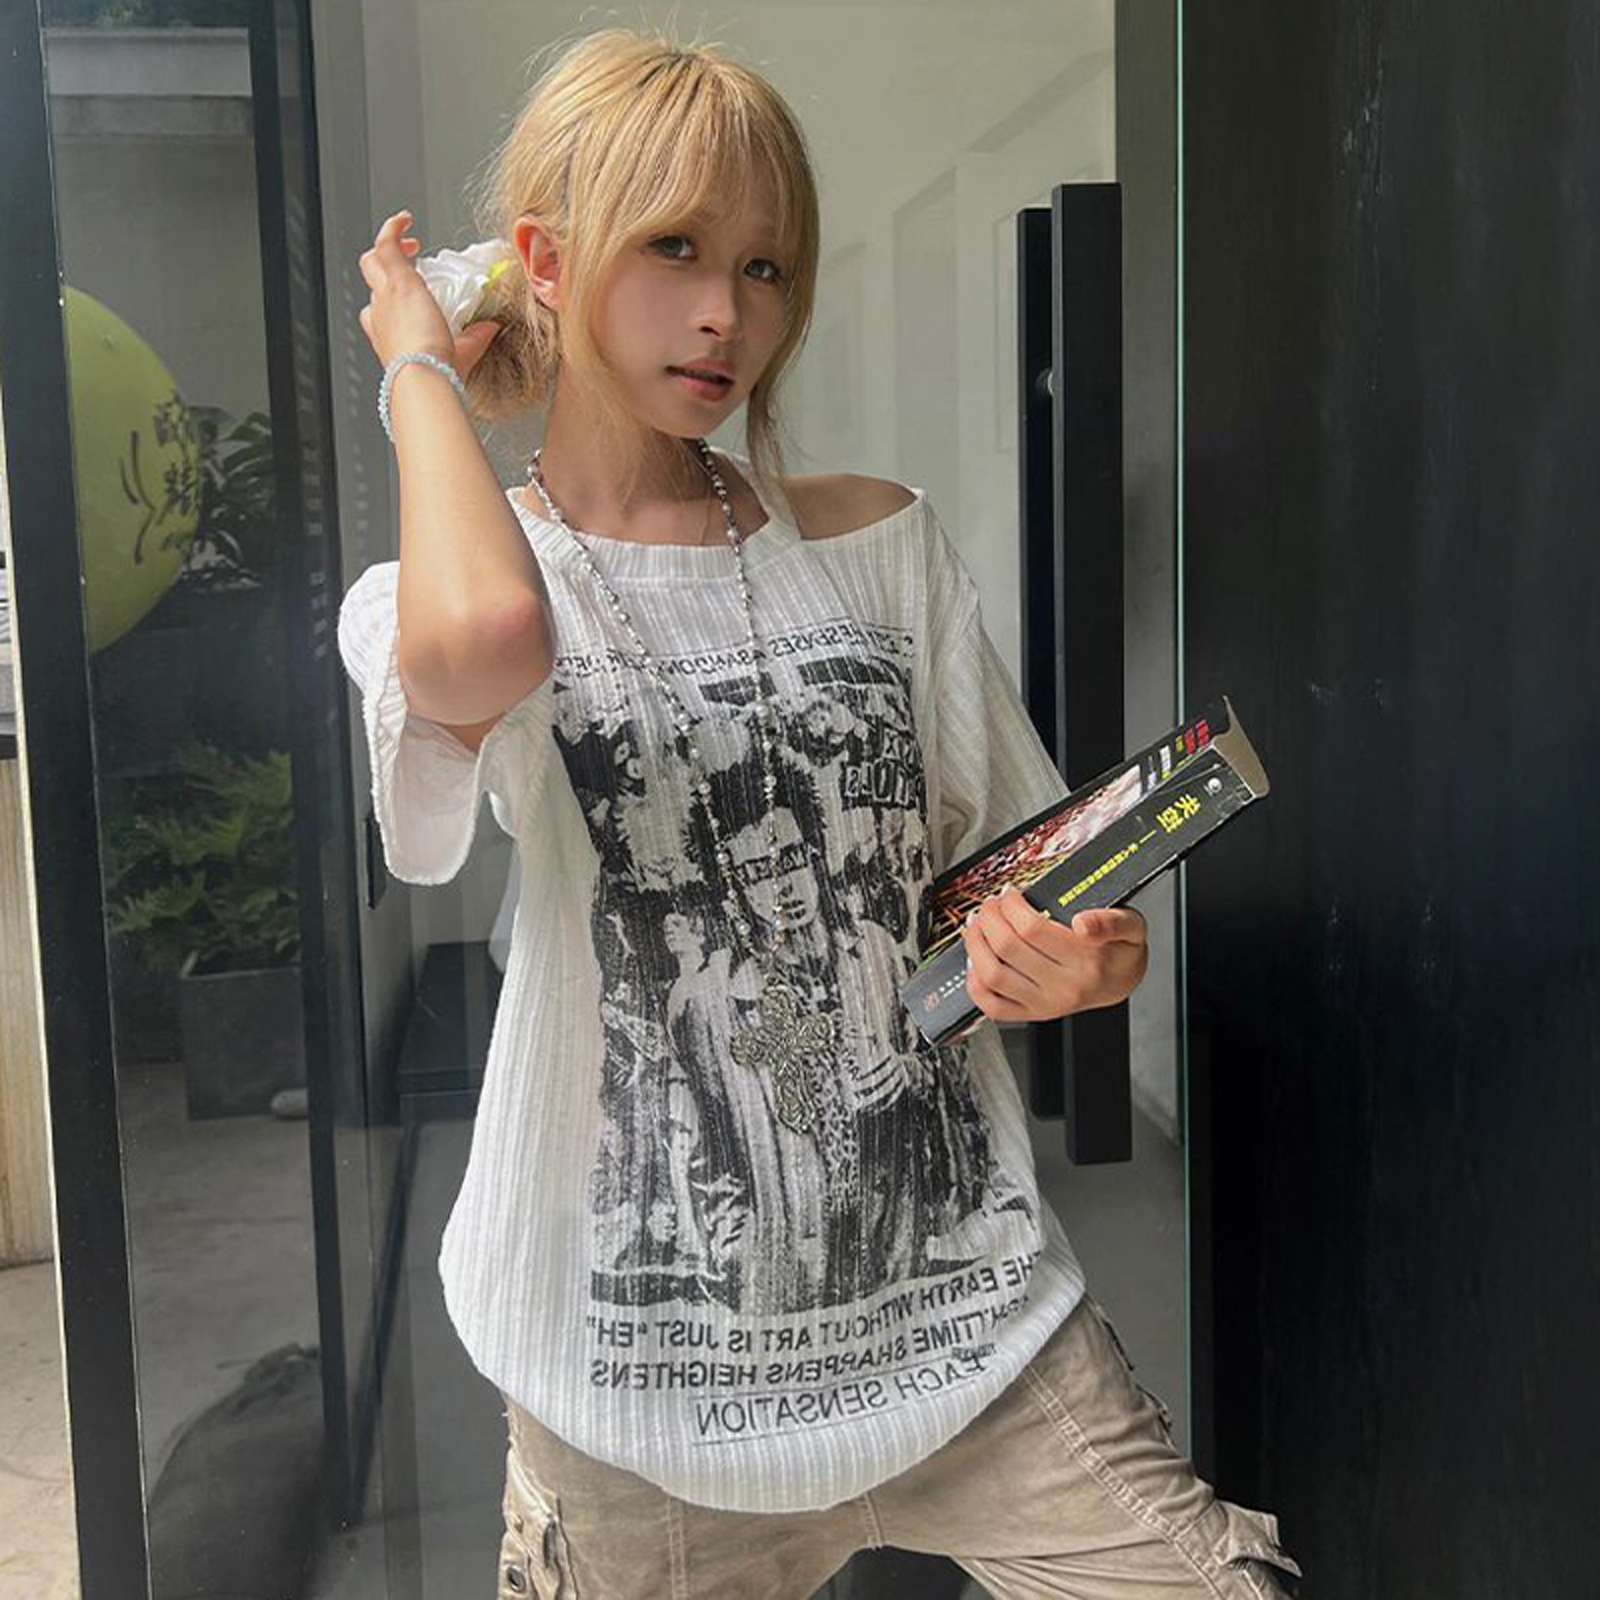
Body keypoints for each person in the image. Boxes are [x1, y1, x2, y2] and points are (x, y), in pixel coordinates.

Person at [338, 24, 1302, 1600]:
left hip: (967, 1329)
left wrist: (1082, 965)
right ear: (548, 262)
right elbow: (486, 644)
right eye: (674, 248)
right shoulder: (458, 582)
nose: (729, 312)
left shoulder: (877, 544)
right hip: (636, 1395)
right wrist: (418, 365)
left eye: (768, 266)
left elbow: (1012, 872)